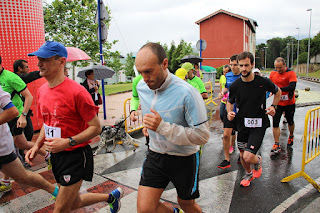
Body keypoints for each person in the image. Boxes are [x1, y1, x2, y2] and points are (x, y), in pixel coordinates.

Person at [25, 41, 123, 213]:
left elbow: (95, 127)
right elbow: (48, 123)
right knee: (73, 203)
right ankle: (111, 197)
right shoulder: (42, 91)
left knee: (60, 209)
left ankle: (111, 197)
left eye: (45, 59)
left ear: (61, 62)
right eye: (38, 59)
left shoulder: (77, 92)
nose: (39, 63)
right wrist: (36, 146)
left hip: (75, 157)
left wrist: (68, 142)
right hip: (55, 157)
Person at [134, 43, 210, 213]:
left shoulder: (187, 92)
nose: (144, 78)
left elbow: (203, 136)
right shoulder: (142, 87)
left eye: (148, 71)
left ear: (165, 63)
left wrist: (163, 128)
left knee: (187, 204)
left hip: (184, 158)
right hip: (155, 155)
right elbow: (152, 116)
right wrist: (149, 127)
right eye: (140, 72)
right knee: (145, 209)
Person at [227, 51, 281, 187]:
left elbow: (278, 91)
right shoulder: (235, 86)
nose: (243, 69)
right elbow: (229, 101)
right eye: (241, 66)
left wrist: (274, 106)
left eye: (246, 65)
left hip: (258, 123)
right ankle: (249, 173)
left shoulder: (263, 82)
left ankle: (257, 161)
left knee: (248, 156)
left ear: (252, 64)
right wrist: (229, 112)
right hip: (242, 124)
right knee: (242, 153)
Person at [0, 56, 50, 192]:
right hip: (5, 120)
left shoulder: (10, 77)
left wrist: (23, 115)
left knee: (16, 147)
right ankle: (48, 156)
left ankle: (5, 181)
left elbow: (29, 96)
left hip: (14, 117)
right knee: (19, 145)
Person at [0, 86, 57, 199]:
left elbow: (14, 109)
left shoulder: (11, 77)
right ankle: (5, 182)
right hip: (9, 136)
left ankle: (57, 192)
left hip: (3, 144)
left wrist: (23, 115)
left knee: (22, 175)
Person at [13, 59, 43, 166]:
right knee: (19, 140)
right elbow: (28, 77)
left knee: (29, 133)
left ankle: (23, 153)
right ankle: (19, 157)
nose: (28, 69)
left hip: (23, 114)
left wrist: (26, 112)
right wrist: (41, 72)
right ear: (20, 68)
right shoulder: (15, 78)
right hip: (15, 115)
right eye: (26, 67)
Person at [269, 57, 297, 155]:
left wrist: (278, 89)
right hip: (278, 104)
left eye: (280, 67)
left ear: (285, 65)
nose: (278, 70)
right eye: (276, 67)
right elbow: (269, 86)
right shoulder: (273, 74)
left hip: (289, 103)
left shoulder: (291, 73)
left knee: (290, 121)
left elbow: (292, 87)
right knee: (275, 123)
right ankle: (277, 143)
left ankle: (291, 135)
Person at [217, 55, 241, 169]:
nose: (233, 67)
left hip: (241, 109)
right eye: (231, 64)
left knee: (242, 134)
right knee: (226, 135)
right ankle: (227, 159)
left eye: (235, 65)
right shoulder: (229, 75)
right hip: (229, 107)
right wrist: (222, 92)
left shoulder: (244, 75)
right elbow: (226, 87)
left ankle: (242, 155)